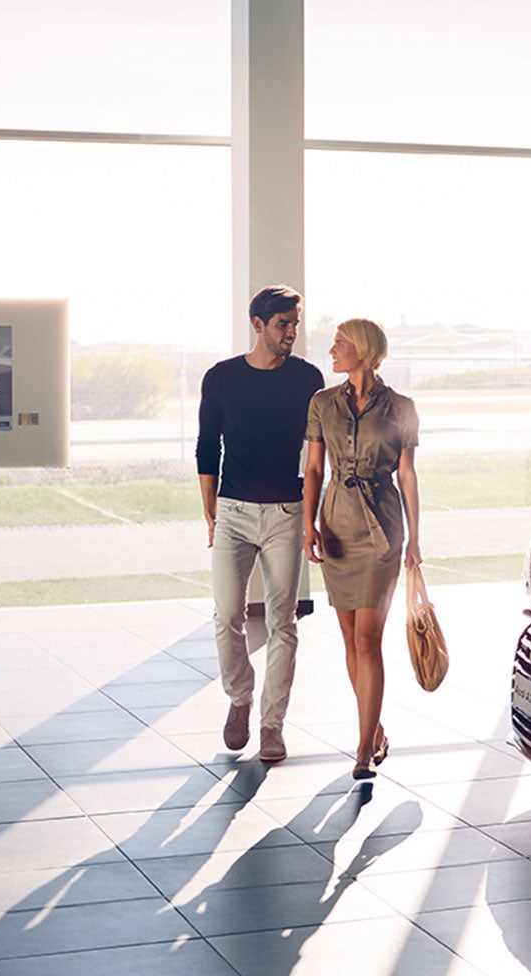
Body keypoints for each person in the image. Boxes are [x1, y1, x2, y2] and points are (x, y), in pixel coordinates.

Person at [197, 285, 326, 762]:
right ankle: (239, 698)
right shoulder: (222, 377)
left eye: (295, 324)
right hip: (232, 512)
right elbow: (207, 447)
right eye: (282, 324)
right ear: (258, 325)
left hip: (286, 514)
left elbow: (317, 455)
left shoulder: (308, 379)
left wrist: (310, 518)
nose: (291, 332)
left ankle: (272, 725)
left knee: (282, 623)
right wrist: (210, 512)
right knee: (227, 615)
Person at [302, 318, 421, 781]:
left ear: (364, 350)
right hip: (336, 524)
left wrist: (415, 538)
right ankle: (376, 731)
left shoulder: (402, 408)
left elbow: (407, 474)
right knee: (351, 640)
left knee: (368, 641)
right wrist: (309, 524)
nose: (332, 351)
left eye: (340, 344)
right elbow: (314, 469)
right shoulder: (322, 403)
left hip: (382, 529)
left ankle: (362, 748)